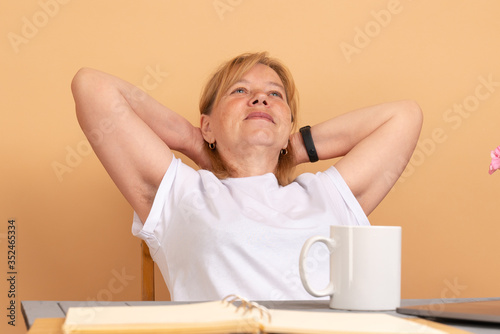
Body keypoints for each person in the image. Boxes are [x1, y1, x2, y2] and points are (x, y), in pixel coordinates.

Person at [71, 52, 422, 301]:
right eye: (240, 91)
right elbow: (91, 88)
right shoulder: (183, 193)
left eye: (275, 95)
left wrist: (292, 147)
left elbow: (405, 117)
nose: (260, 99)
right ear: (208, 124)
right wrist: (196, 142)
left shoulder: (325, 195)